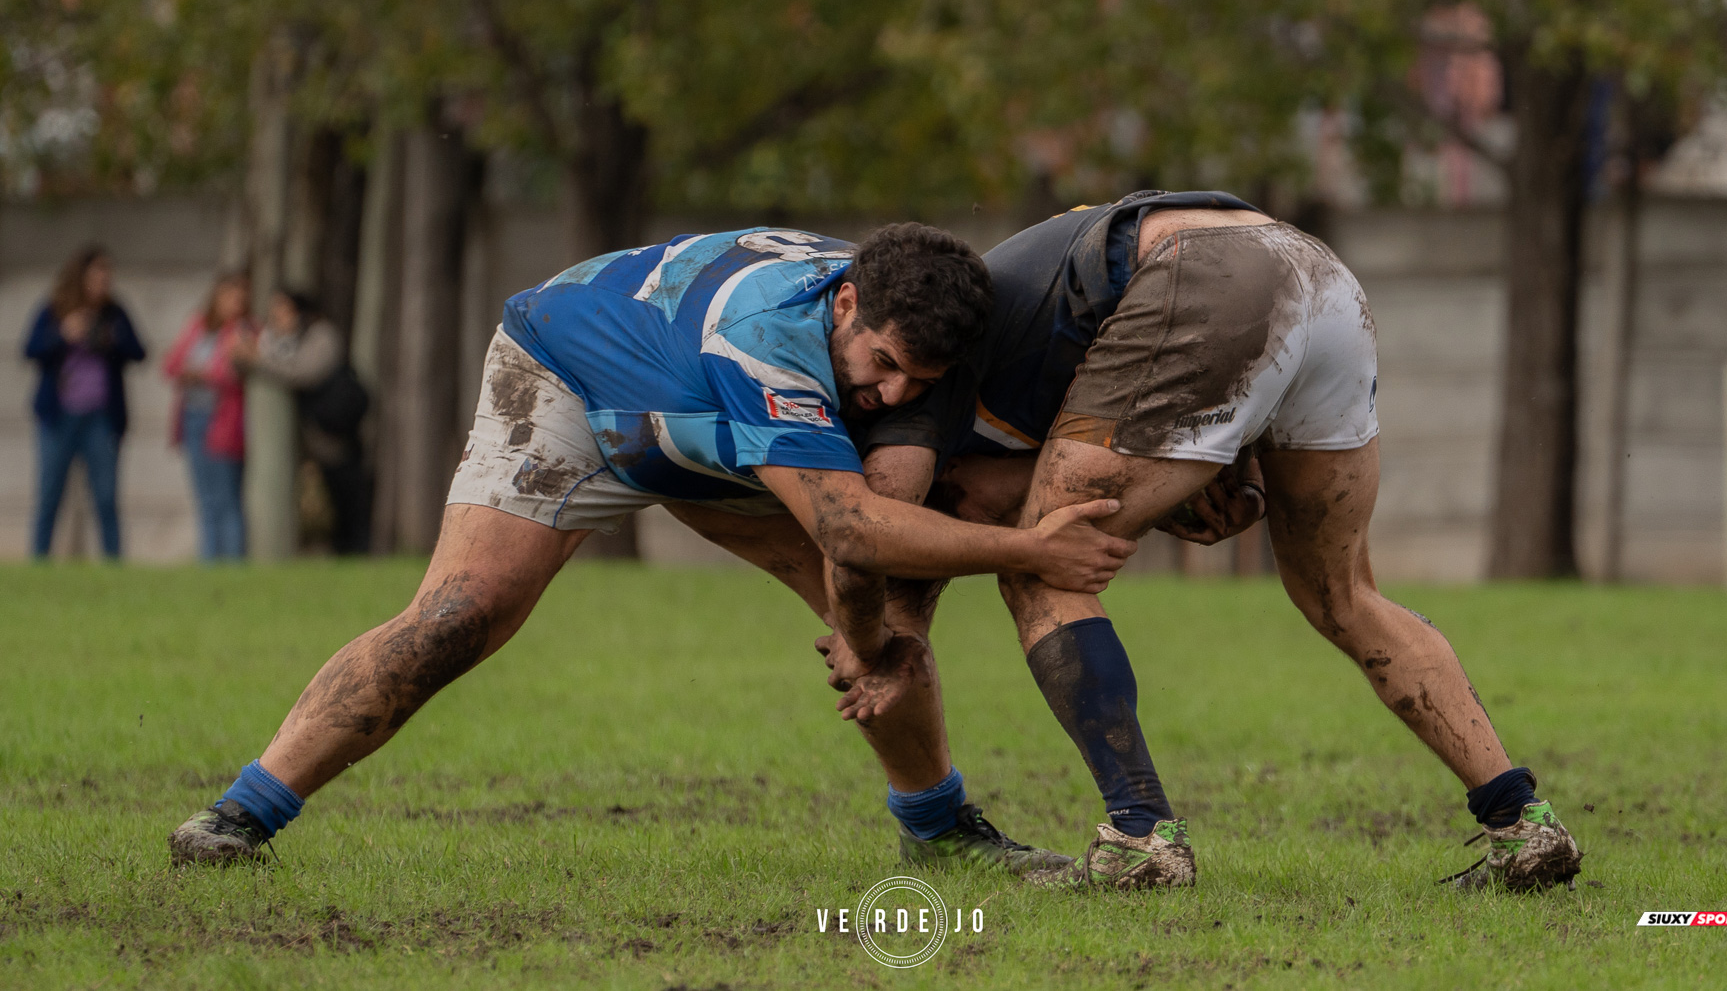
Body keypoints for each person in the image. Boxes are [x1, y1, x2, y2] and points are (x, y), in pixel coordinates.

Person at [168, 224, 1134, 867]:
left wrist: (876, 628)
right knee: (463, 615)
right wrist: (1028, 553)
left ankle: (939, 832)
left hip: (713, 435)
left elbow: (887, 531)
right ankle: (243, 811)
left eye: (916, 382)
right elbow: (848, 527)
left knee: (880, 620)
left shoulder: (914, 327)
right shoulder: (770, 337)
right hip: (575, 385)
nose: (890, 396)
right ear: (844, 307)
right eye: (880, 368)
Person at [796, 191, 1582, 893]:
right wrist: (1208, 468)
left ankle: (1143, 837)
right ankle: (1523, 822)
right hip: (1319, 280)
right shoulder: (973, 337)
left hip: (1205, 279)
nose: (889, 390)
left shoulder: (916, 383)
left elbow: (876, 535)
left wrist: (872, 644)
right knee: (1343, 595)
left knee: (1047, 560)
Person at [23, 247, 145, 559]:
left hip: (101, 418)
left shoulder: (115, 313)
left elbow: (138, 352)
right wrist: (63, 334)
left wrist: (111, 339)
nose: (104, 281)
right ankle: (39, 561)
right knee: (50, 495)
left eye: (108, 275)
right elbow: (30, 351)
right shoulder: (55, 310)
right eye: (98, 274)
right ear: (82, 277)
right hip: (58, 416)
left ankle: (113, 563)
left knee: (105, 497)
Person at [240, 288, 371, 554]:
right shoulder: (279, 339)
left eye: (284, 310)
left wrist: (259, 361)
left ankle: (354, 551)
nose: (277, 317)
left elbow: (304, 372)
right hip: (310, 434)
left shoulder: (322, 335)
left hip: (336, 432)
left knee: (346, 496)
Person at [163, 273, 255, 561]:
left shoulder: (246, 330)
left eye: (240, 297)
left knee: (227, 498)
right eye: (228, 296)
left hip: (224, 421)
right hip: (193, 418)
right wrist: (193, 372)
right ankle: (209, 564)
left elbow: (232, 373)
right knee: (206, 500)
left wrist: (200, 373)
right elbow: (171, 364)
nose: (234, 303)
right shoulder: (199, 326)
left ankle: (232, 564)